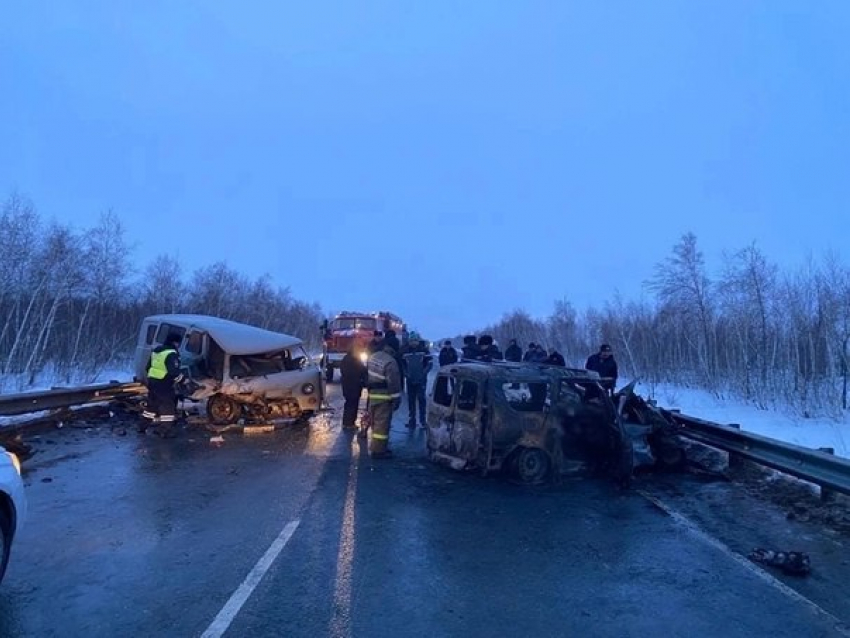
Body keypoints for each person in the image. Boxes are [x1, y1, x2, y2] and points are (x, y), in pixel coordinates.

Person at [141, 334, 185, 437]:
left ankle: (142, 426)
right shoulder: (171, 353)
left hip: (152, 381)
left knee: (152, 405)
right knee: (167, 406)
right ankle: (164, 430)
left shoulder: (157, 351)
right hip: (164, 383)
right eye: (178, 343)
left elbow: (148, 367)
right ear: (175, 342)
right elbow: (173, 372)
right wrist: (182, 380)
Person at [365, 340, 402, 458]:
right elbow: (394, 383)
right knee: (382, 426)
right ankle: (379, 451)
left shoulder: (373, 357)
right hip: (384, 397)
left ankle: (375, 446)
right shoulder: (391, 362)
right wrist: (396, 399)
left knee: (375, 423)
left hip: (372, 395)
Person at [402, 333, 432, 429]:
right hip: (410, 380)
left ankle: (423, 421)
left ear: (418, 341)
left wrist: (423, 374)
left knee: (421, 399)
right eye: (411, 341)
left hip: (421, 380)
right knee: (411, 400)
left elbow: (430, 364)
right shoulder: (405, 351)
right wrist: (406, 374)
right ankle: (412, 421)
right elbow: (402, 365)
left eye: (415, 341)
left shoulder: (424, 351)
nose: (413, 343)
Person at [340, 345, 367, 430]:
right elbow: (362, 370)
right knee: (353, 404)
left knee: (348, 403)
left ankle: (346, 422)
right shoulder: (356, 360)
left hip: (347, 385)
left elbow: (343, 371)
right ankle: (350, 423)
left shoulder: (345, 359)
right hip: (354, 385)